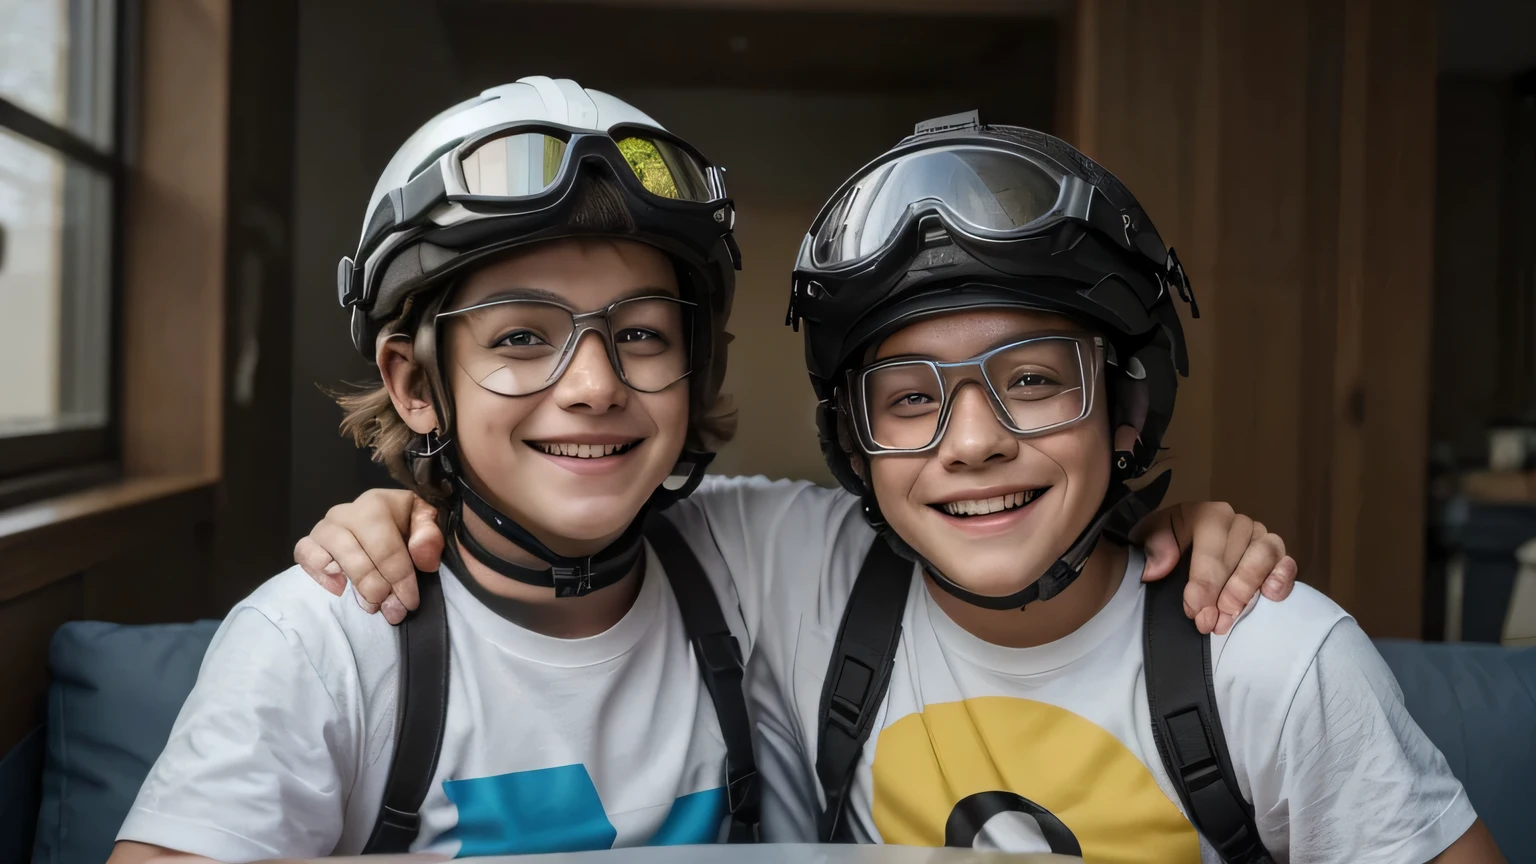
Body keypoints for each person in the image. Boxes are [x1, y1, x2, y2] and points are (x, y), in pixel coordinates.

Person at [285, 102, 1318, 860]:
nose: (970, 445)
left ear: (1129, 401)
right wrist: (412, 514)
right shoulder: (323, 636)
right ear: (415, 383)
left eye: (1036, 382)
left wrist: (1180, 526)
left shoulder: (767, 557)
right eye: (521, 336)